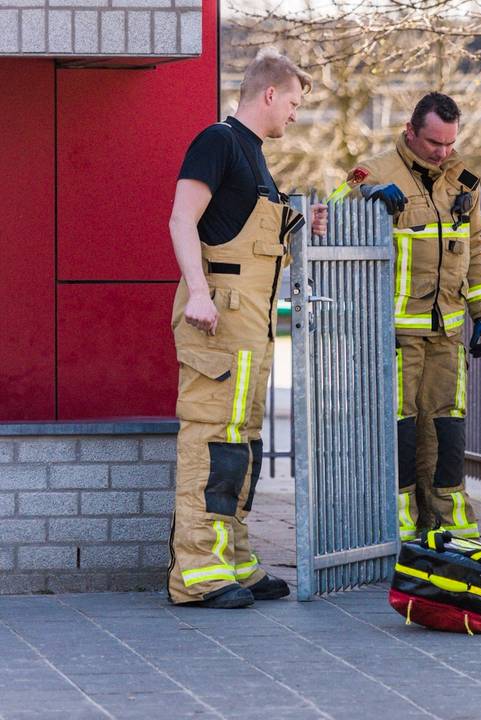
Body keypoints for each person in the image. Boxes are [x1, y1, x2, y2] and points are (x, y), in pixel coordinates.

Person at [167, 48, 328, 609]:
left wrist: (297, 221)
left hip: (251, 323)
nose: (294, 114)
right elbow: (181, 218)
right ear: (269, 94)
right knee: (211, 440)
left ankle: (233, 556)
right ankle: (197, 572)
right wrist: (201, 294)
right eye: (293, 102)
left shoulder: (254, 156)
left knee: (242, 442)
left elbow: (244, 230)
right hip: (218, 317)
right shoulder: (218, 141)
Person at [331, 92, 481, 541]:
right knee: (401, 431)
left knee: (447, 428)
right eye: (433, 143)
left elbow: (476, 248)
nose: (442, 153)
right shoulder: (374, 174)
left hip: (447, 330)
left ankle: (449, 527)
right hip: (394, 333)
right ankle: (400, 528)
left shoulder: (464, 181)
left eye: (449, 143)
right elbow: (330, 221)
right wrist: (365, 200)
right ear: (410, 131)